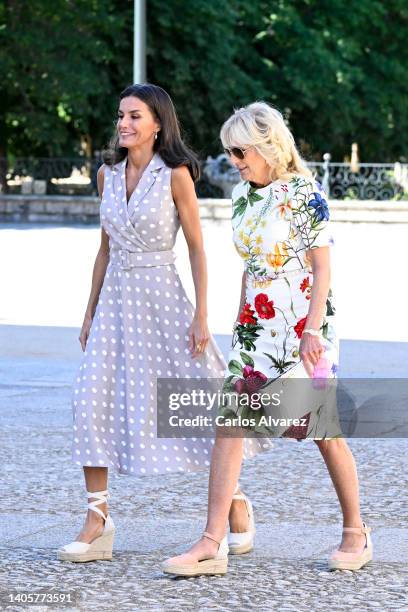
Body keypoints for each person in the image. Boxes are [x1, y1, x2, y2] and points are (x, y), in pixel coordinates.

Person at [57, 84, 270, 563]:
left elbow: (196, 246)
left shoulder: (175, 176)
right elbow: (105, 247)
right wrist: (88, 310)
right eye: (120, 116)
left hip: (163, 298)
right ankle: (98, 520)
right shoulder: (106, 175)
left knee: (195, 400)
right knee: (89, 398)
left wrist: (201, 314)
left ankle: (234, 502)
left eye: (135, 116)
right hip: (115, 302)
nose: (124, 124)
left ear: (158, 124)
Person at [162, 102, 373, 576]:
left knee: (321, 431)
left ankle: (356, 534)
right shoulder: (242, 195)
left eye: (240, 151)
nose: (234, 160)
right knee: (229, 424)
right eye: (229, 151)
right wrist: (238, 322)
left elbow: (322, 269)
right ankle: (211, 542)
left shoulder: (305, 193)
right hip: (256, 327)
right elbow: (249, 266)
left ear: (268, 146)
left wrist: (312, 330)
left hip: (303, 325)